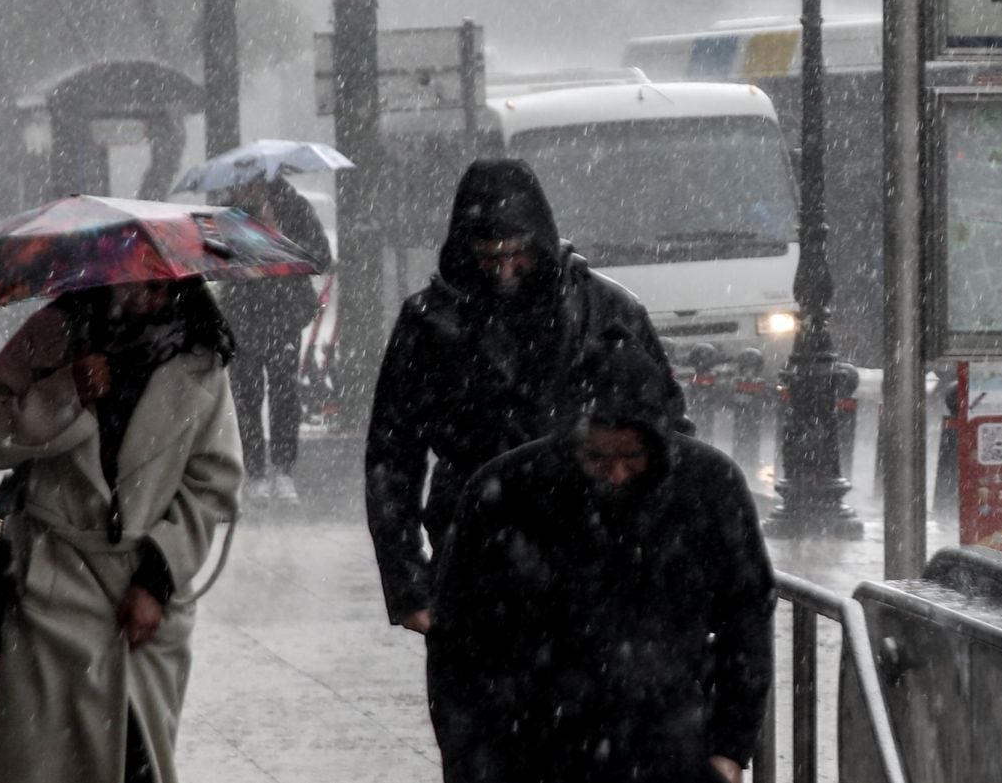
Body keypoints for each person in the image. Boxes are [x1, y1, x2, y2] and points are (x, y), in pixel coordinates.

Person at [426, 332, 775, 783]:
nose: (616, 473)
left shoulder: (710, 485)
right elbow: (459, 637)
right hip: (531, 745)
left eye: (632, 456)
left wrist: (730, 746)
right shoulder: (507, 491)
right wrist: (468, 755)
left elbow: (746, 618)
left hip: (665, 744)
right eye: (597, 457)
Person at [365, 158, 685, 634]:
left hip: (592, 544)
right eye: (489, 257)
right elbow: (393, 454)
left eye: (516, 254)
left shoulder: (606, 308)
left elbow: (669, 431)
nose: (505, 270)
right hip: (476, 545)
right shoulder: (430, 322)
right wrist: (408, 584)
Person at [0, 279, 245, 783]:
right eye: (133, 283)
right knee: (43, 766)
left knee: (135, 762)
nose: (146, 298)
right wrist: (63, 391)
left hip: (146, 611)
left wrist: (156, 579)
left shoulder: (201, 356)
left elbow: (212, 483)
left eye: (160, 286)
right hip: (54, 588)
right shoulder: (51, 335)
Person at [222, 176, 333, 500]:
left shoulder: (293, 207)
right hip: (242, 316)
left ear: (266, 181)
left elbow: (320, 258)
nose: (245, 190)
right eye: (241, 184)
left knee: (285, 392)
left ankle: (283, 470)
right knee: (246, 395)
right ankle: (255, 472)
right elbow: (214, 262)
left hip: (284, 314)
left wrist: (278, 237)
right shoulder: (227, 214)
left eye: (252, 182)